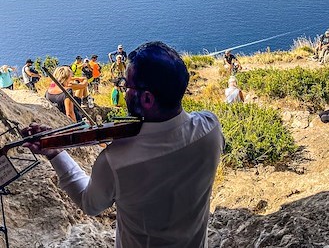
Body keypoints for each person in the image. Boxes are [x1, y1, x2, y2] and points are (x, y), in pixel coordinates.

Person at [23, 41, 224, 248]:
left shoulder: (117, 160)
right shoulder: (211, 128)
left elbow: (89, 204)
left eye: (126, 85)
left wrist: (55, 153)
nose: (124, 90)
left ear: (147, 98)